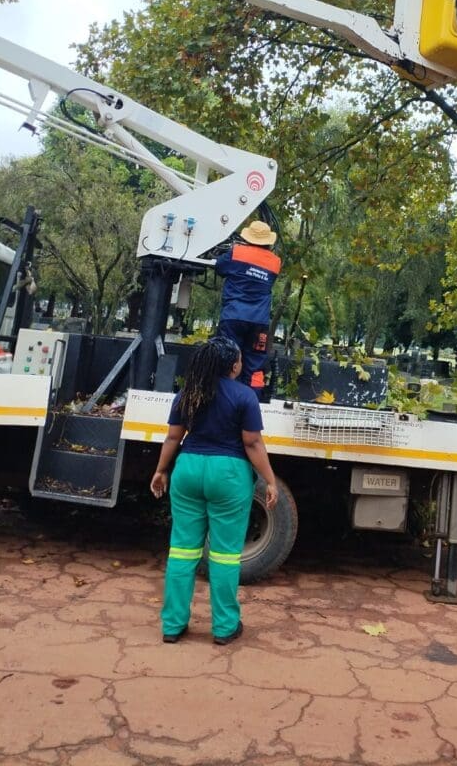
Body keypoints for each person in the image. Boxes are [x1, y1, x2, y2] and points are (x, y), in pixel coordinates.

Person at [150, 335, 279, 645]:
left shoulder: (188, 395)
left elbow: (173, 437)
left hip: (188, 470)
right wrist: (270, 480)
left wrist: (160, 470)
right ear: (233, 366)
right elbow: (252, 443)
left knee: (182, 550)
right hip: (228, 475)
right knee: (224, 555)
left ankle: (173, 625)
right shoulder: (244, 396)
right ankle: (224, 628)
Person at [214, 219, 282, 397]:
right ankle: (252, 403)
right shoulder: (275, 262)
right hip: (259, 322)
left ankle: (225, 401)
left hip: (233, 317)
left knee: (228, 360)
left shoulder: (237, 252)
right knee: (255, 366)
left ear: (248, 238)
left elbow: (219, 267)